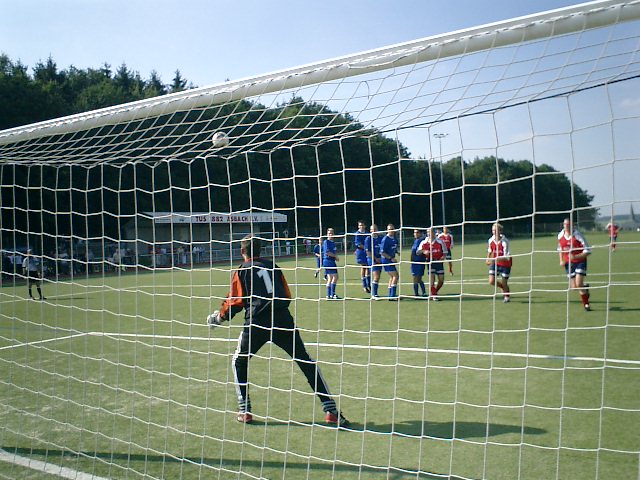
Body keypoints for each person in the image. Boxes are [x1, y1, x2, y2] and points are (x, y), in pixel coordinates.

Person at [207, 235, 349, 427]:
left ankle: (245, 410)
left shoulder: (242, 270)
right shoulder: (273, 266)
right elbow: (287, 294)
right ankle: (331, 410)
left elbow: (235, 302)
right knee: (305, 360)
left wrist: (219, 318)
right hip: (282, 319)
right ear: (261, 250)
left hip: (257, 322)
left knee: (239, 361)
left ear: (242, 251)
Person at [558, 218, 592, 311]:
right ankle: (585, 289)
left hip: (580, 261)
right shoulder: (560, 235)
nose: (566, 226)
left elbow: (588, 251)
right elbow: (560, 248)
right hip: (568, 263)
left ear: (572, 225)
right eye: (565, 224)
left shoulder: (578, 235)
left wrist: (575, 257)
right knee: (573, 287)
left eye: (568, 224)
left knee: (579, 283)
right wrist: (561, 260)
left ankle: (586, 304)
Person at [418, 228, 448, 300]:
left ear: (434, 233)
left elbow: (445, 252)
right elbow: (418, 252)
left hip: (439, 262)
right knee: (432, 279)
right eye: (428, 232)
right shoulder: (424, 242)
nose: (429, 233)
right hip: (430, 262)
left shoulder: (440, 241)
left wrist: (443, 257)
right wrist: (423, 251)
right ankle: (434, 295)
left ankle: (434, 292)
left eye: (431, 232)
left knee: (441, 280)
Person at [486, 223, 512, 303]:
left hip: (505, 264)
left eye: (496, 230)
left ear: (500, 231)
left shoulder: (505, 241)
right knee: (491, 281)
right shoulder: (491, 240)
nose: (494, 232)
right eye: (493, 230)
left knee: (504, 283)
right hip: (495, 263)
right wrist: (488, 258)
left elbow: (507, 257)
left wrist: (495, 259)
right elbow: (490, 250)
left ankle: (507, 296)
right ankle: (503, 288)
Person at [379, 224, 399, 300]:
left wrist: (397, 252)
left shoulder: (395, 238)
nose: (391, 231)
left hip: (391, 260)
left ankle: (391, 295)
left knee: (392, 277)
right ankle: (392, 295)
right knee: (396, 276)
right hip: (386, 260)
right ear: (387, 230)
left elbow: (393, 247)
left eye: (392, 229)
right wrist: (391, 258)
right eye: (390, 229)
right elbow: (382, 252)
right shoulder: (385, 239)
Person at [365, 224, 383, 298]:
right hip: (372, 259)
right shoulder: (368, 239)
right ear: (370, 230)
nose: (374, 231)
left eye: (375, 229)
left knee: (378, 276)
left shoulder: (380, 238)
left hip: (380, 259)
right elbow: (368, 252)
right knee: (376, 276)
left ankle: (375, 293)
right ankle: (374, 294)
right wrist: (375, 259)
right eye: (372, 229)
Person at [322, 228, 340, 299]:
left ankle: (328, 295)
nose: (330, 235)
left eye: (332, 233)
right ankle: (333, 294)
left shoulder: (333, 243)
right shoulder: (326, 242)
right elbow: (327, 252)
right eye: (329, 233)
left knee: (330, 278)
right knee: (335, 277)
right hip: (328, 261)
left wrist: (335, 257)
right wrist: (335, 256)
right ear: (327, 234)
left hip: (330, 261)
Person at [354, 220, 371, 293]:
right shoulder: (357, 234)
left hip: (367, 252)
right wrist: (366, 248)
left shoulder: (367, 233)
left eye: (362, 225)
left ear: (365, 226)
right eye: (360, 225)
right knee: (363, 267)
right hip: (361, 252)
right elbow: (358, 244)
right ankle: (364, 285)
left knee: (368, 267)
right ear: (358, 226)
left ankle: (368, 284)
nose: (361, 226)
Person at [410, 229, 427, 297]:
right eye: (414, 232)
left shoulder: (422, 241)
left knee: (416, 278)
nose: (415, 234)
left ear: (420, 233)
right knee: (418, 278)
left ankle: (417, 294)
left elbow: (422, 250)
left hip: (419, 262)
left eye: (417, 232)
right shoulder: (416, 241)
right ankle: (423, 292)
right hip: (414, 263)